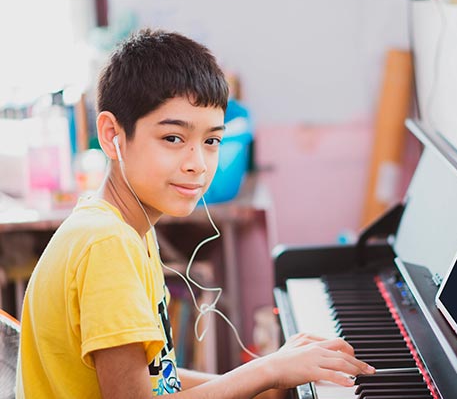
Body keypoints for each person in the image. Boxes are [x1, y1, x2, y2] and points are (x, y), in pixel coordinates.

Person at [16, 29, 374, 398]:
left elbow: (157, 380)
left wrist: (272, 374)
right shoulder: (107, 243)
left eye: (211, 141)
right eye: (173, 138)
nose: (198, 164)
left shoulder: (122, 228)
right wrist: (268, 370)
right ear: (112, 135)